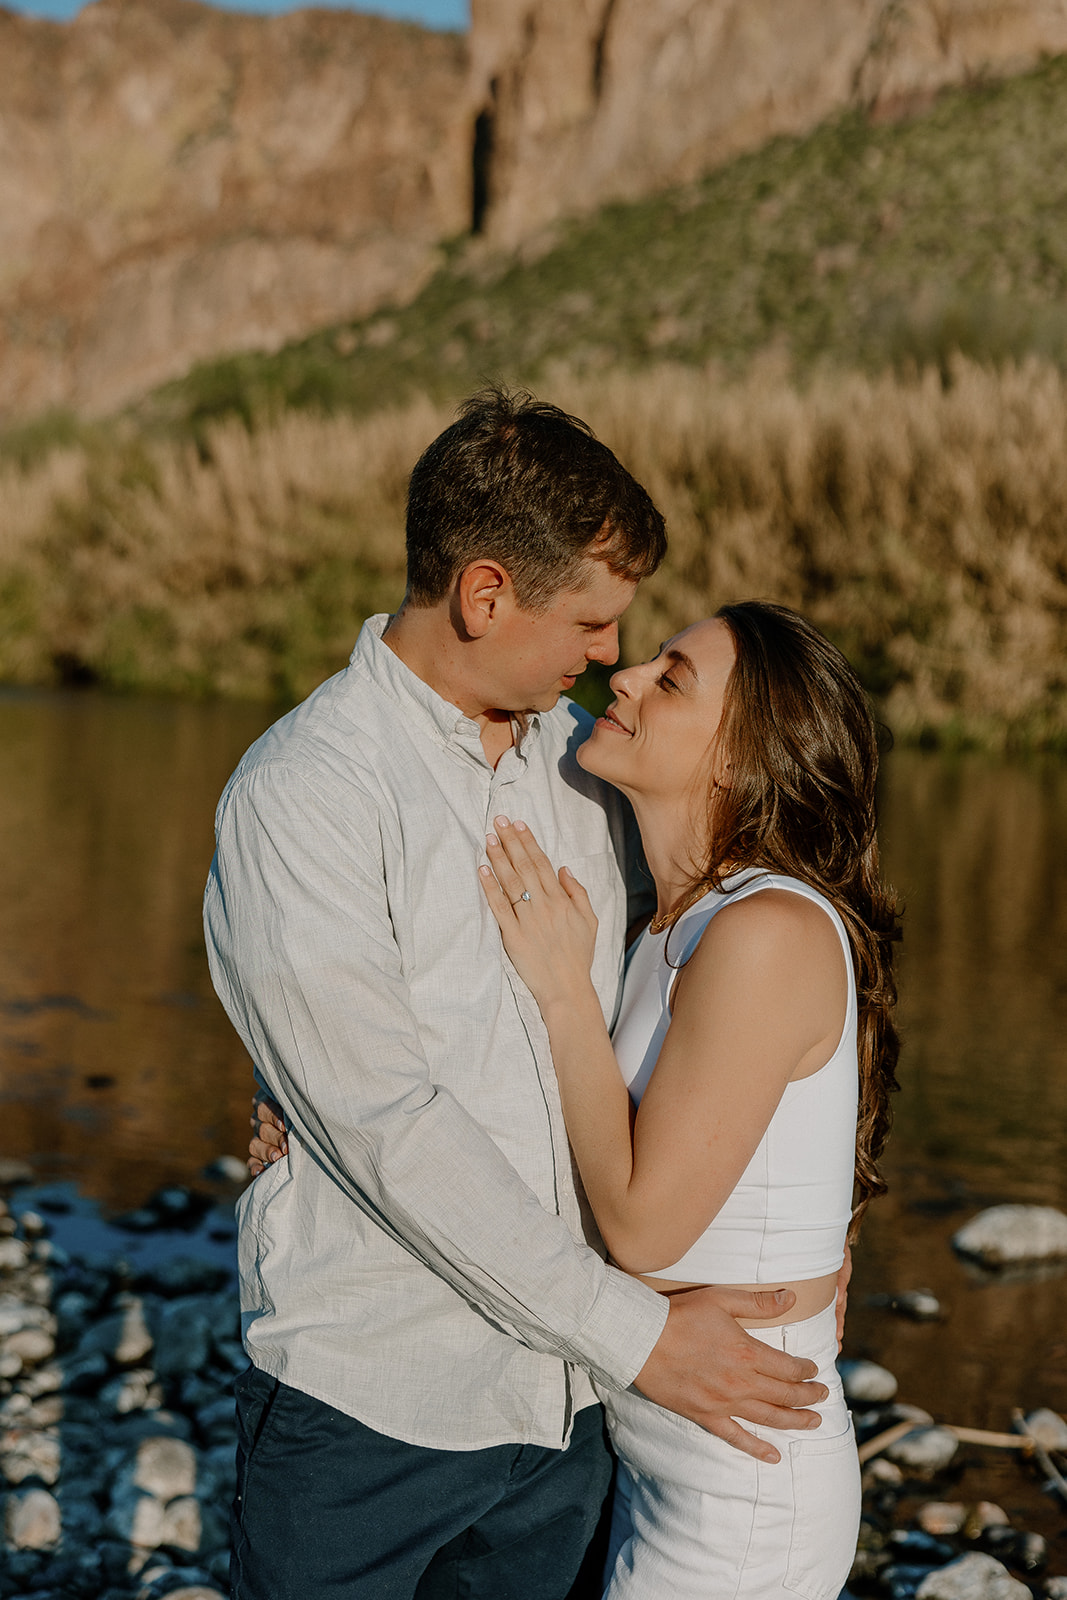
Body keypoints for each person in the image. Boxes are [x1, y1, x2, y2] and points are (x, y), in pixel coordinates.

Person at [206, 390, 832, 1600]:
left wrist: (820, 1229)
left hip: (572, 1421)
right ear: (485, 595)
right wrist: (642, 1337)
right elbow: (388, 1127)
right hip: (372, 1413)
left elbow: (731, 994)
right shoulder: (303, 794)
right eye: (591, 622)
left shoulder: (588, 768)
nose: (609, 657)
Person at [477, 602, 901, 1598]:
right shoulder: (679, 921)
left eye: (670, 679)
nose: (621, 677)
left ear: (742, 755)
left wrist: (564, 992)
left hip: (740, 1491)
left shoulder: (762, 931)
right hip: (667, 1451)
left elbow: (642, 1228)